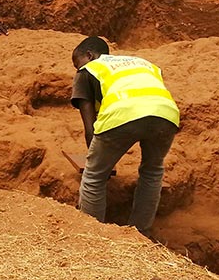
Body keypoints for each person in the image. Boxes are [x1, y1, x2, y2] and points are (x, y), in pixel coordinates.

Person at [70, 36, 181, 238]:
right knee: (153, 171)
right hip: (166, 114)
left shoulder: (89, 69)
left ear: (89, 56)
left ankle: (91, 236)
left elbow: (90, 128)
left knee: (94, 177)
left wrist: (98, 161)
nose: (78, 69)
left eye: (77, 64)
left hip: (123, 113)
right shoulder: (143, 64)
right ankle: (141, 235)